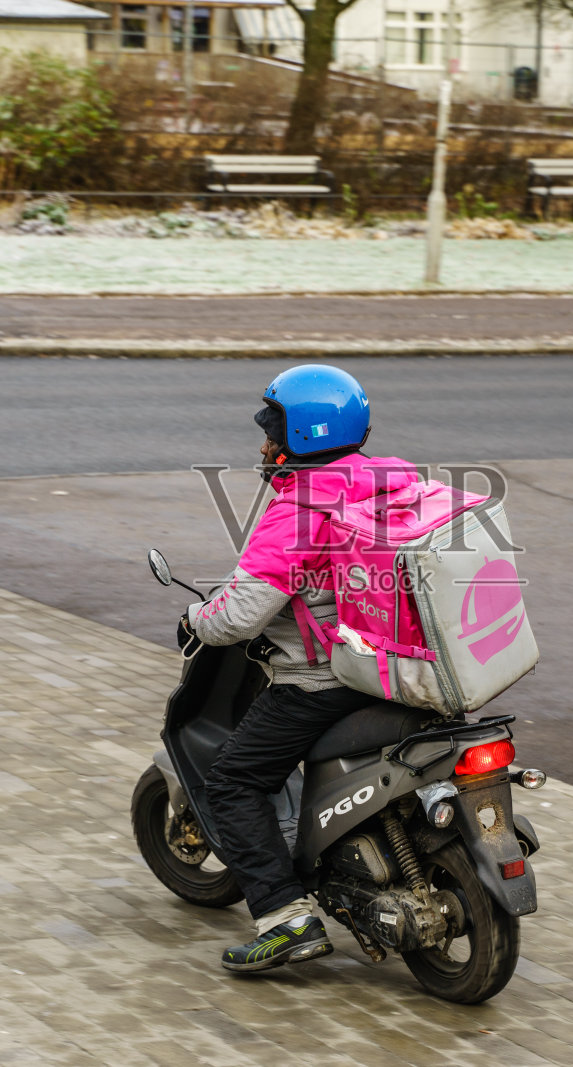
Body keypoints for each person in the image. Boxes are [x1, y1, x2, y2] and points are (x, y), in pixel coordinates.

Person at [181, 363, 417, 973]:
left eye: (272, 433)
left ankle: (285, 917)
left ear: (304, 436)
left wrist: (197, 619)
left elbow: (238, 618)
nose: (264, 447)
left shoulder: (299, 510)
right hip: (406, 669)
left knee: (232, 781)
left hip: (325, 680)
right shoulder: (395, 484)